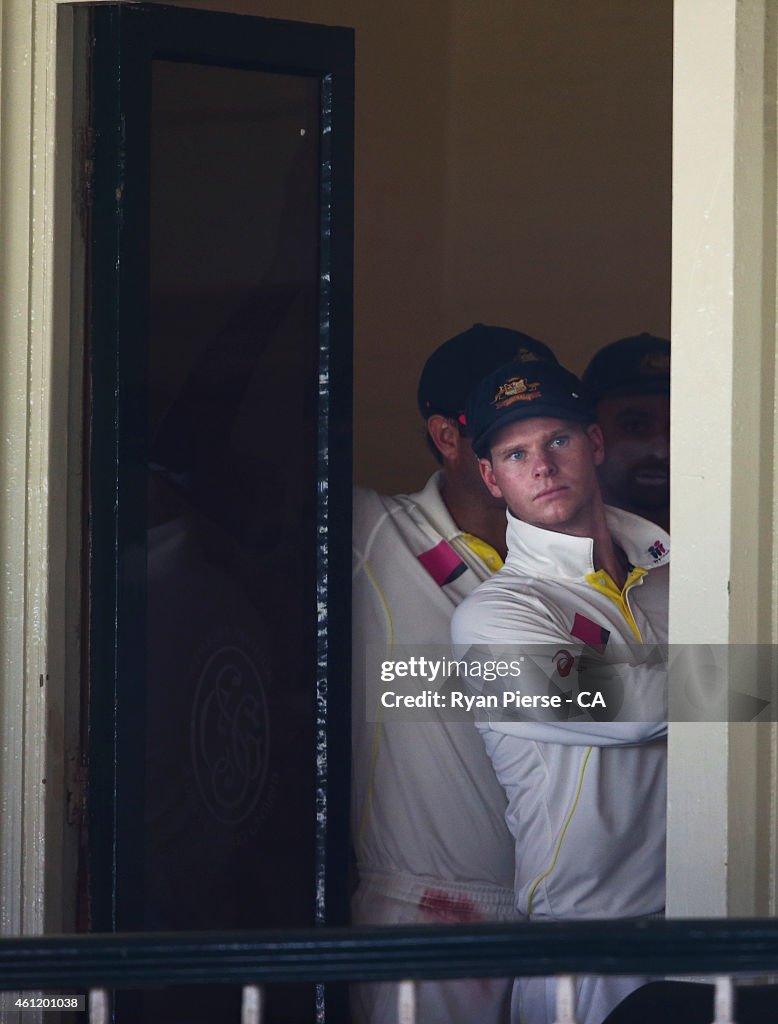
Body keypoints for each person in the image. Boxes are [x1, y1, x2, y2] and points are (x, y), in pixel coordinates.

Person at [451, 359, 670, 1024]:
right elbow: (634, 710)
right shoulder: (492, 618)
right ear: (492, 477)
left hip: (708, 921)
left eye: (558, 441)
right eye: (516, 454)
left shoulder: (674, 565)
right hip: (585, 945)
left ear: (595, 445)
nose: (541, 466)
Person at [351, 324, 558, 1024]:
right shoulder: (374, 534)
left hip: (568, 921)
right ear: (447, 437)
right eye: (502, 422)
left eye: (550, 423)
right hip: (429, 917)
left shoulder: (598, 556)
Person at [583, 334, 670, 531]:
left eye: (676, 430)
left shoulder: (733, 541)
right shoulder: (554, 551)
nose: (660, 451)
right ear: (592, 439)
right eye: (635, 427)